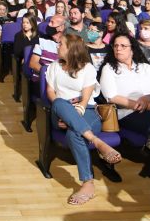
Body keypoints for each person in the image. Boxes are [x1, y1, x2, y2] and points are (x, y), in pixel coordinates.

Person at [47, 34, 121, 206]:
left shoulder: (87, 68)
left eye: (61, 44)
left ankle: (87, 184)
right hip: (61, 110)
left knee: (74, 134)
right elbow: (51, 92)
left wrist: (79, 108)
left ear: (71, 49)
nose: (57, 46)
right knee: (59, 102)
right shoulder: (53, 66)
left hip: (85, 109)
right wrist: (65, 114)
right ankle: (97, 141)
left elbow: (86, 96)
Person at [99, 34, 150, 169]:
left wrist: (148, 98)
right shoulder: (109, 68)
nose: (118, 49)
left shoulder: (145, 67)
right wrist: (143, 105)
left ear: (132, 49)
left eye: (123, 46)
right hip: (128, 112)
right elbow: (111, 97)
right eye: (115, 46)